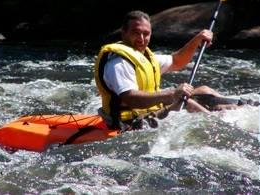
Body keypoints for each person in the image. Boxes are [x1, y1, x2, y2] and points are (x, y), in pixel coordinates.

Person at [94, 10, 240, 130]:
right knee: (185, 102)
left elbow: (177, 61)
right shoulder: (118, 63)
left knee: (204, 90)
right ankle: (224, 129)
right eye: (136, 32)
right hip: (127, 124)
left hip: (149, 113)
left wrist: (197, 40)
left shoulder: (145, 57)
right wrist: (171, 94)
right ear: (124, 33)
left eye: (146, 34)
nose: (141, 38)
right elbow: (131, 99)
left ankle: (239, 108)